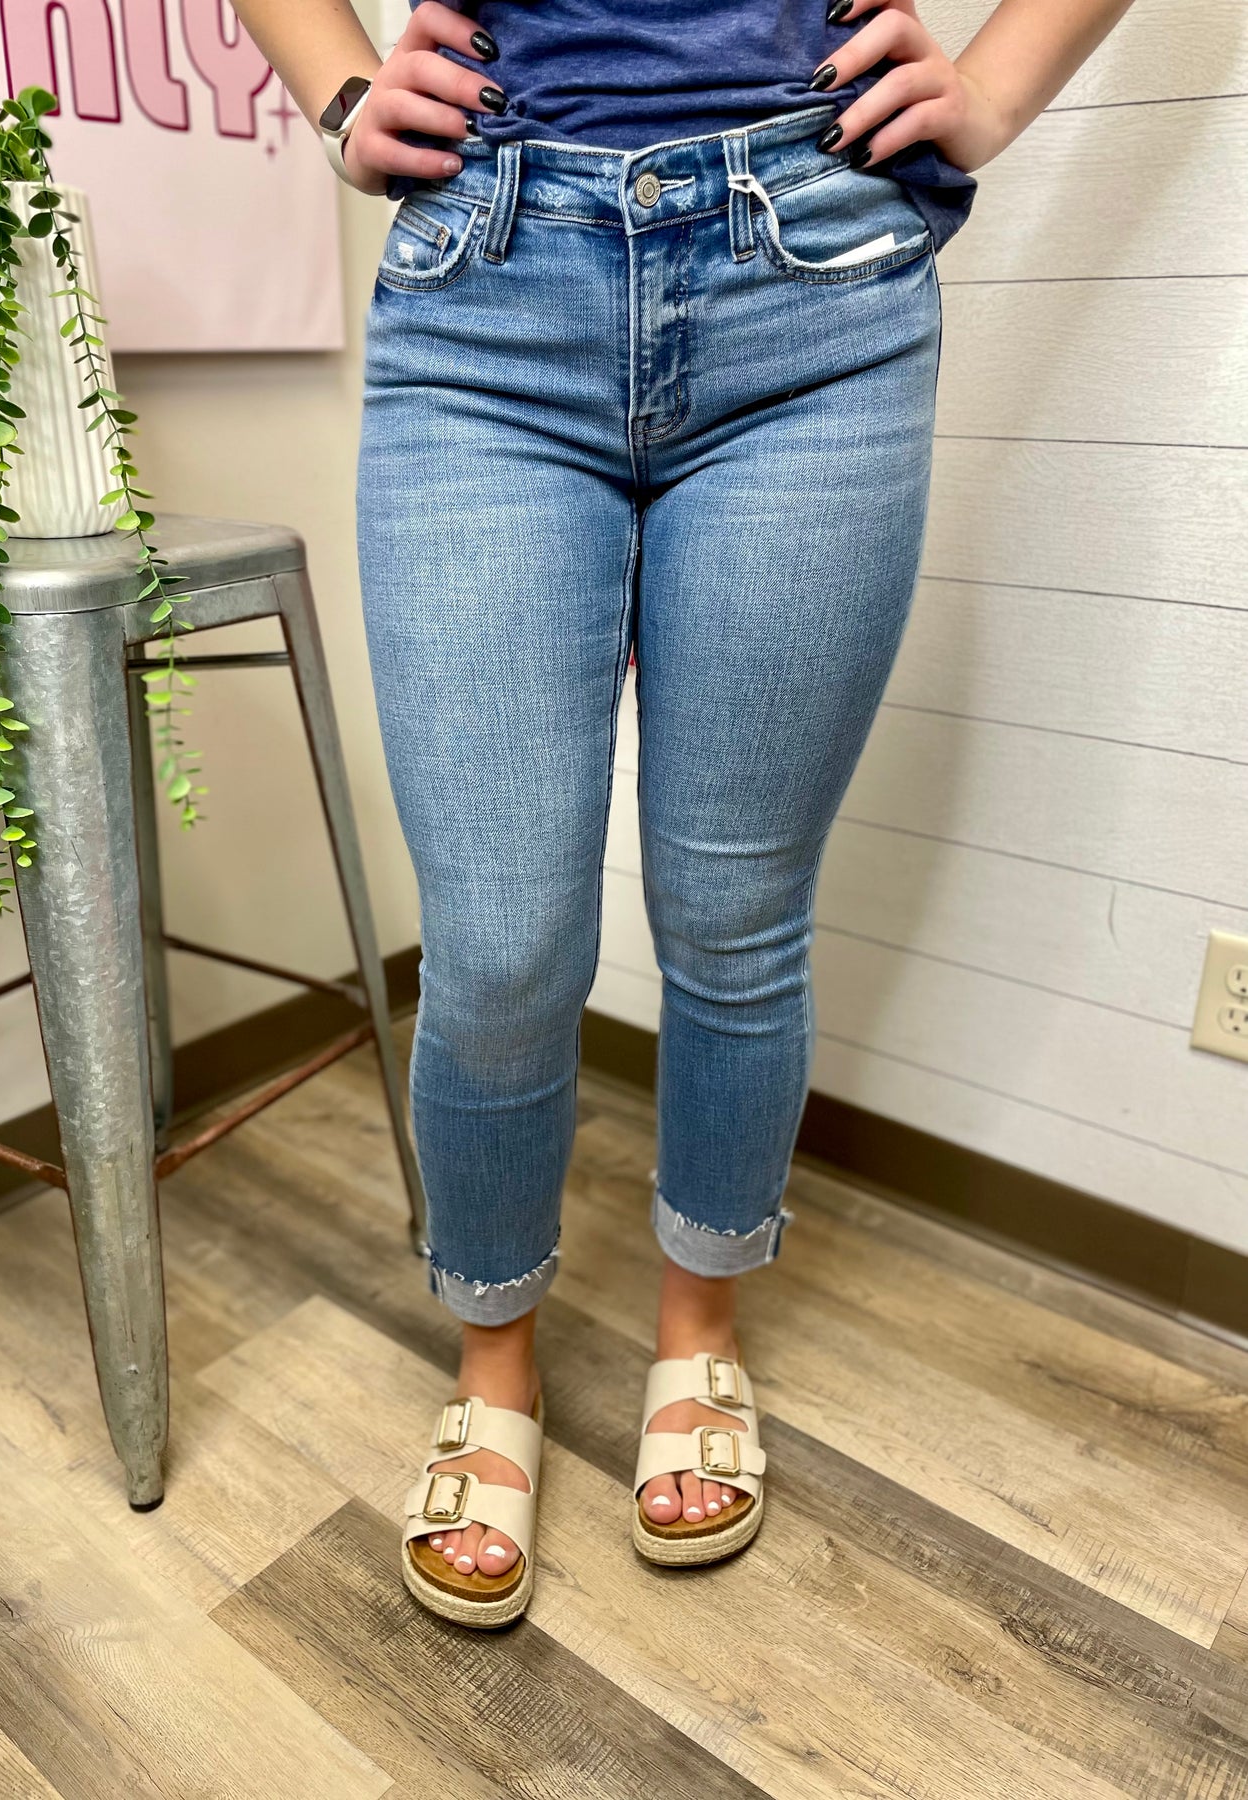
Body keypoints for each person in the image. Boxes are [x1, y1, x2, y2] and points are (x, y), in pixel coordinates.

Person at [230, 0, 1137, 1629]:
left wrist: (994, 94)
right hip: (487, 291)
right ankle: (491, 1362)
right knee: (499, 942)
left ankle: (697, 1335)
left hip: (815, 289)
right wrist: (338, 91)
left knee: (733, 914)